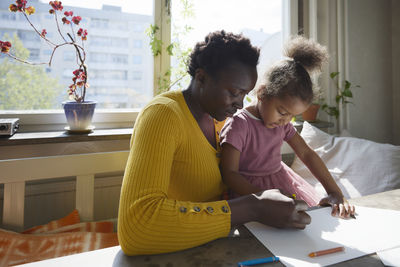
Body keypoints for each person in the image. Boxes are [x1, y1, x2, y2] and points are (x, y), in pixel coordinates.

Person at [118, 31, 313, 256]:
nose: (240, 104)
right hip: (171, 254)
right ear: (201, 78)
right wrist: (254, 206)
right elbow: (137, 227)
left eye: (245, 94)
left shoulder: (220, 120)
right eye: (234, 93)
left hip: (214, 246)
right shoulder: (163, 115)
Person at [219, 36, 355, 218]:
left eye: (292, 115)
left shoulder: (281, 125)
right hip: (249, 193)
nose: (286, 120)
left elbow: (306, 154)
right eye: (282, 112)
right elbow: (229, 174)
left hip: (282, 182)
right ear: (262, 93)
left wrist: (334, 192)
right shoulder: (239, 124)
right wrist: (263, 198)